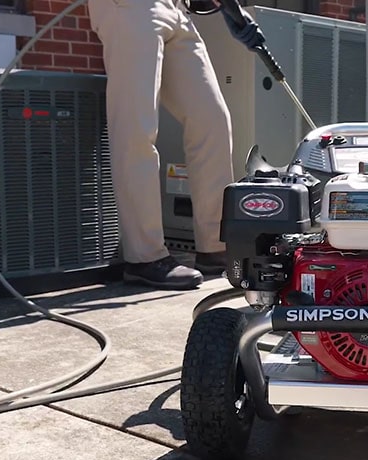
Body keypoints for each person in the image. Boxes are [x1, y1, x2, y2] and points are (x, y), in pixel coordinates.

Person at [87, 0, 265, 290]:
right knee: (137, 129)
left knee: (212, 120)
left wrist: (233, 10)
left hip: (177, 10)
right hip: (130, 9)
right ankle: (144, 257)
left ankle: (214, 247)